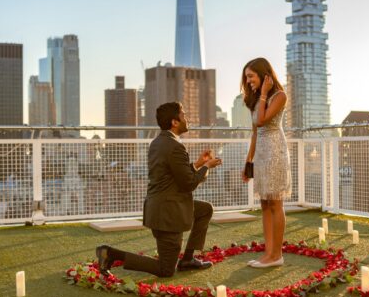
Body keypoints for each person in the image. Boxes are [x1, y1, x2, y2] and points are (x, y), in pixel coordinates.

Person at [96, 102, 222, 277]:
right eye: (183, 114)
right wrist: (207, 167)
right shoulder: (174, 146)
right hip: (168, 214)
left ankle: (187, 259)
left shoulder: (159, 142)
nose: (187, 118)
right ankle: (110, 254)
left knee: (204, 209)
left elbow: (174, 175)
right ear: (175, 122)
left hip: (161, 207)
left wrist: (198, 164)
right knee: (166, 270)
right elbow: (188, 184)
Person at [241, 57, 291, 268]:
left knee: (275, 202)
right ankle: (268, 254)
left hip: (275, 152)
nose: (248, 80)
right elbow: (255, 132)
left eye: (251, 76)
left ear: (264, 75)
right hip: (261, 153)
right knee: (264, 203)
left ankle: (276, 255)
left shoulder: (279, 96)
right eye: (246, 77)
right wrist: (248, 161)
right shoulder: (255, 100)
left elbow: (263, 121)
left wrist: (263, 94)